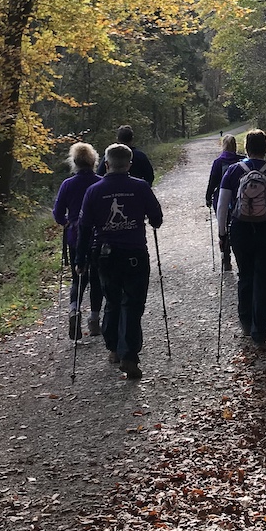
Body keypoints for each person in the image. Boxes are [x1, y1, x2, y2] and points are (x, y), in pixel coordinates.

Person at [77, 144, 163, 378]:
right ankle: (129, 356)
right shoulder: (140, 186)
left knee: (112, 301)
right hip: (135, 253)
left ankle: (113, 348)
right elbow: (157, 219)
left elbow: (84, 228)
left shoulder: (93, 191)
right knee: (133, 305)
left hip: (105, 255)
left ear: (106, 165)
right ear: (129, 165)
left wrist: (80, 258)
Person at [216, 129, 266, 348]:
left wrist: (222, 233)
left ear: (246, 148)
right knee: (265, 281)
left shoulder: (233, 171)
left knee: (245, 275)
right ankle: (260, 332)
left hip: (241, 229)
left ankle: (246, 322)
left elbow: (222, 205)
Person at [52, 142, 101, 337]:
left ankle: (74, 309)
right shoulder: (99, 182)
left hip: (74, 236)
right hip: (97, 236)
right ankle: (95, 319)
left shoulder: (67, 184)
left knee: (77, 277)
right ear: (93, 161)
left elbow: (57, 213)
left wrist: (67, 222)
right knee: (96, 278)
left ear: (74, 162)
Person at [206, 134, 240, 271]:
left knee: (223, 227)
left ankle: (226, 258)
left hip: (222, 199)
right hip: (239, 199)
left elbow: (212, 182)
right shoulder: (241, 160)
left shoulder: (218, 162)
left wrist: (208, 197)